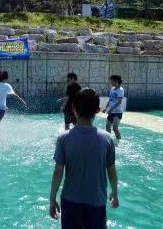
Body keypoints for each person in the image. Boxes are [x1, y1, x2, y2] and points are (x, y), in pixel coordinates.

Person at [49, 88, 119, 228]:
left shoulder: (64, 138)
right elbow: (111, 171)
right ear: (97, 111)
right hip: (96, 200)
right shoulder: (107, 138)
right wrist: (115, 193)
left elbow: (58, 173)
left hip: (70, 201)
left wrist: (52, 199)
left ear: (73, 108)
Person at [102, 75, 124, 140]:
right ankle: (109, 140)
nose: (111, 82)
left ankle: (119, 141)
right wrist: (106, 107)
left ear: (117, 82)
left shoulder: (120, 90)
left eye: (112, 81)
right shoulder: (112, 89)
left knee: (115, 128)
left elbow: (119, 102)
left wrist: (111, 109)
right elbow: (110, 99)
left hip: (117, 112)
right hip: (111, 111)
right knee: (107, 126)